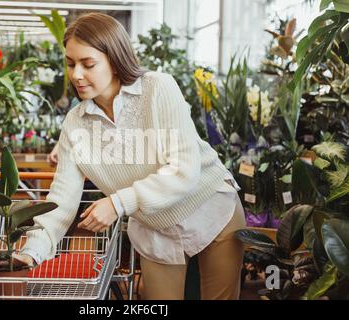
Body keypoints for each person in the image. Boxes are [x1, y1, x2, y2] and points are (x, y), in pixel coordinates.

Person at [13, 12, 247, 300]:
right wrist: (30, 252)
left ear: (115, 59)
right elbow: (62, 198)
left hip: (209, 210)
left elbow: (184, 170)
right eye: (71, 63)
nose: (76, 75)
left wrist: (118, 202)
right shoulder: (75, 124)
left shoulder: (157, 88)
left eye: (88, 64)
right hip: (155, 228)